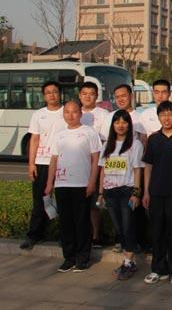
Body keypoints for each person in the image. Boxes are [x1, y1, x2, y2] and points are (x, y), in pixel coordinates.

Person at [44, 100, 102, 272]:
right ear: (63, 115)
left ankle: (83, 258)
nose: (71, 115)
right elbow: (53, 160)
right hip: (62, 185)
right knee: (66, 222)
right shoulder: (59, 135)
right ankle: (69, 258)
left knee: (81, 222)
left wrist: (92, 182)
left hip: (82, 184)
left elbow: (96, 159)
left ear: (80, 113)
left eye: (74, 111)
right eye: (67, 112)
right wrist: (49, 183)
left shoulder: (89, 132)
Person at [142, 101, 172, 285]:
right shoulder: (153, 139)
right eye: (163, 115)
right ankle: (158, 268)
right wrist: (146, 192)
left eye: (170, 114)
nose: (167, 118)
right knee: (157, 232)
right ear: (158, 117)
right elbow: (148, 167)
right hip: (156, 193)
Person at [97, 110, 144, 280]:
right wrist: (101, 193)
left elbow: (138, 171)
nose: (121, 125)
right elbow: (103, 170)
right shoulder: (107, 145)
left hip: (127, 192)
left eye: (124, 122)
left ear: (129, 125)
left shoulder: (135, 145)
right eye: (117, 122)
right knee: (119, 228)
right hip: (110, 193)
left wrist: (136, 194)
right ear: (113, 125)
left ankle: (128, 262)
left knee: (128, 226)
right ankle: (128, 261)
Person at [21, 81, 66, 250]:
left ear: (60, 93)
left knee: (63, 201)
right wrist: (31, 164)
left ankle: (64, 236)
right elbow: (34, 139)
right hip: (42, 162)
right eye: (48, 92)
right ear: (44, 96)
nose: (52, 95)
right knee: (39, 200)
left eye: (55, 91)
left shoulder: (68, 112)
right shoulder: (38, 115)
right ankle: (34, 235)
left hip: (63, 162)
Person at [78, 81, 110, 249]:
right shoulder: (74, 112)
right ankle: (80, 235)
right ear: (79, 95)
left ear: (96, 96)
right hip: (77, 164)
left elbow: (105, 140)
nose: (87, 96)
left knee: (94, 203)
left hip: (96, 163)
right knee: (78, 203)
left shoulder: (104, 114)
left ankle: (96, 236)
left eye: (91, 94)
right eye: (84, 93)